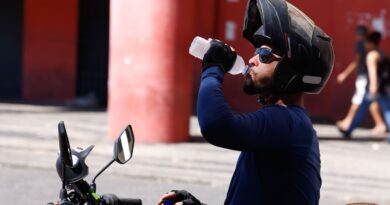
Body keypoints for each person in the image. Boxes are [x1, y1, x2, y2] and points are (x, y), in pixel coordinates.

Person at [157, 0, 334, 204]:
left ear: (291, 69)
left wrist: (213, 67)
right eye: (256, 52)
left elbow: (215, 125)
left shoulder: (288, 121)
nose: (252, 60)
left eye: (265, 54)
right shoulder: (288, 124)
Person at [339, 31, 390, 140]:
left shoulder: (371, 55)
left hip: (374, 88)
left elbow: (372, 71)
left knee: (382, 111)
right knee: (385, 110)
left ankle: (349, 130)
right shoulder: (381, 53)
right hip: (383, 88)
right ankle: (348, 130)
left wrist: (373, 86)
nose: (365, 45)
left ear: (371, 43)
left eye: (366, 43)